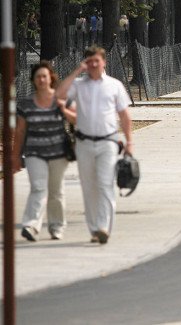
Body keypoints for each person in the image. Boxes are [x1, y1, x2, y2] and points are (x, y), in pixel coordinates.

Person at [56, 46, 133, 245]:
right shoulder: (79, 85)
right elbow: (60, 95)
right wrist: (76, 71)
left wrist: (129, 141)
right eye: (89, 62)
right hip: (84, 142)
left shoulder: (114, 85)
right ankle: (93, 229)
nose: (93, 65)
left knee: (105, 184)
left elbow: (124, 115)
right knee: (89, 186)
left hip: (108, 141)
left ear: (104, 62)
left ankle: (103, 227)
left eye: (96, 61)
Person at [15, 61, 76, 242]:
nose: (41, 80)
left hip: (59, 153)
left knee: (56, 191)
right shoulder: (26, 104)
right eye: (38, 77)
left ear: (51, 78)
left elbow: (76, 120)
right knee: (38, 187)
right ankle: (31, 225)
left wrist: (63, 109)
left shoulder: (62, 100)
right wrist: (15, 155)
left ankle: (57, 227)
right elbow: (20, 131)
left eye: (44, 76)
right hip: (35, 153)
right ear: (33, 80)